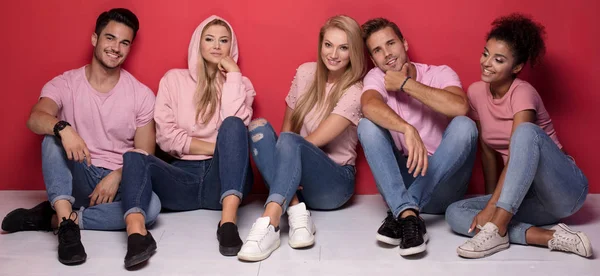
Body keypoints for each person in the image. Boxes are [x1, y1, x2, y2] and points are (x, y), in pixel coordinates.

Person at [0, 8, 160, 265]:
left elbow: (144, 154)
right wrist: (63, 128)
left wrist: (118, 175)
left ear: (129, 48)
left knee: (151, 208)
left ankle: (54, 218)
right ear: (95, 39)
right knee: (52, 137)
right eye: (110, 38)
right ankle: (68, 231)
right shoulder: (65, 83)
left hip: (115, 184)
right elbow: (35, 117)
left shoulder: (141, 95)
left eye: (124, 42)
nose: (116, 47)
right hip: (78, 173)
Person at [445, 13, 592, 259]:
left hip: (564, 189)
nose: (487, 63)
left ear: (516, 67)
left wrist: (493, 209)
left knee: (524, 133)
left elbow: (516, 153)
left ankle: (497, 227)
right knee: (455, 213)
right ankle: (550, 237)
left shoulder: (523, 93)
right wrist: (492, 198)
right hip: (525, 198)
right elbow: (487, 150)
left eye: (498, 59)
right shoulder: (475, 93)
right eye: (485, 54)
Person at [119, 15, 255, 267]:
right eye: (209, 39)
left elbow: (235, 128)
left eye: (224, 41)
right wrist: (220, 148)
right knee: (135, 156)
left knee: (234, 125)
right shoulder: (173, 80)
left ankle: (228, 223)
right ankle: (137, 235)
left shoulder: (241, 84)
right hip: (182, 178)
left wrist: (233, 75)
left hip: (225, 180)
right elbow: (166, 137)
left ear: (231, 47)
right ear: (198, 44)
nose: (216, 46)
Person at [237, 15, 366, 262]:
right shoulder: (306, 73)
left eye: (343, 47)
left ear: (354, 52)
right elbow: (289, 127)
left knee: (289, 140)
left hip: (335, 184)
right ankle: (297, 211)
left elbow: (311, 140)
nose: (334, 54)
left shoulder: (356, 90)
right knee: (258, 128)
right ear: (320, 45)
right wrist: (287, 168)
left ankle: (270, 221)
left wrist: (287, 161)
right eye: (328, 45)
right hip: (297, 183)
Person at [358, 17, 477, 256]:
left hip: (444, 182)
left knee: (465, 126)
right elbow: (369, 105)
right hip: (402, 181)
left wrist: (405, 84)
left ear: (405, 43)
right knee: (366, 125)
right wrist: (406, 128)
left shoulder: (440, 73)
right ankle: (409, 215)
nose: (387, 54)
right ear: (373, 59)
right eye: (378, 50)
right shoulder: (375, 77)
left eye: (391, 43)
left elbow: (460, 107)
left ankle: (402, 211)